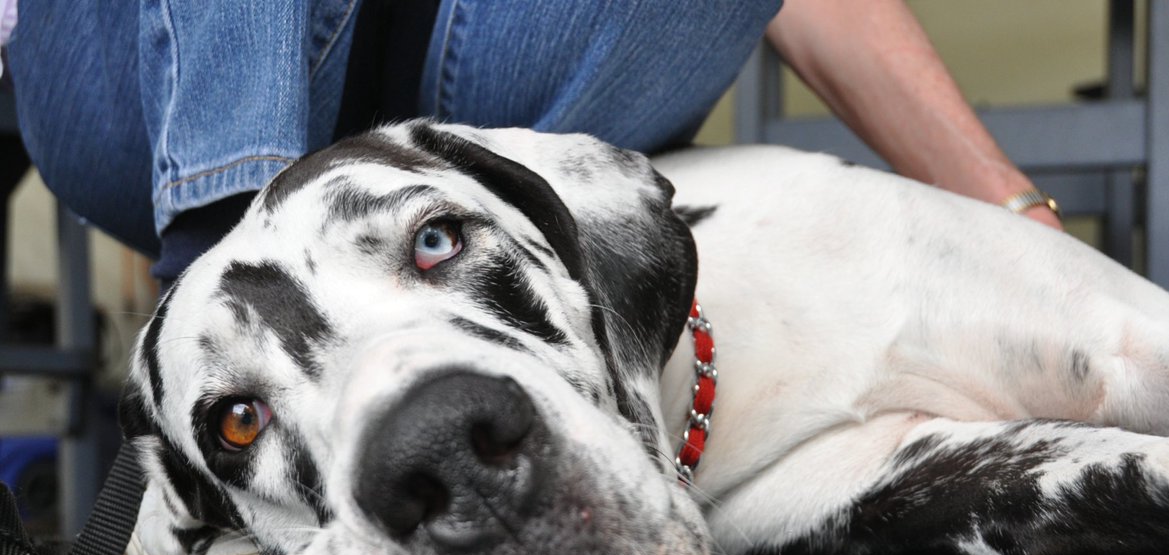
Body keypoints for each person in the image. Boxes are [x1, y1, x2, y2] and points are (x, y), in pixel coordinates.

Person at [3, 0, 1062, 289]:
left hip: (444, 78)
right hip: (133, 77)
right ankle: (227, 305)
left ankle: (505, 296)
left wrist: (1019, 223)